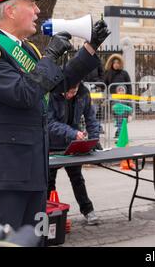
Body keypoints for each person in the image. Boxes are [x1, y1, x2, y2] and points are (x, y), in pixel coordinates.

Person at [0, 0, 110, 235]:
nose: (37, 11)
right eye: (30, 4)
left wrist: (89, 50)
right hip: (1, 175)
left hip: (31, 172)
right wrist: (51, 55)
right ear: (10, 10)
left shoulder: (29, 51)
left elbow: (57, 86)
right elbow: (22, 94)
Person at [47, 82, 101, 225]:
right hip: (51, 144)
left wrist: (94, 139)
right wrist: (73, 133)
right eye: (67, 92)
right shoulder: (51, 92)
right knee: (48, 182)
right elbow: (50, 122)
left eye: (74, 91)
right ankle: (46, 214)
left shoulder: (83, 93)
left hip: (72, 144)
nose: (70, 95)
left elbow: (91, 117)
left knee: (77, 178)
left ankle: (88, 210)